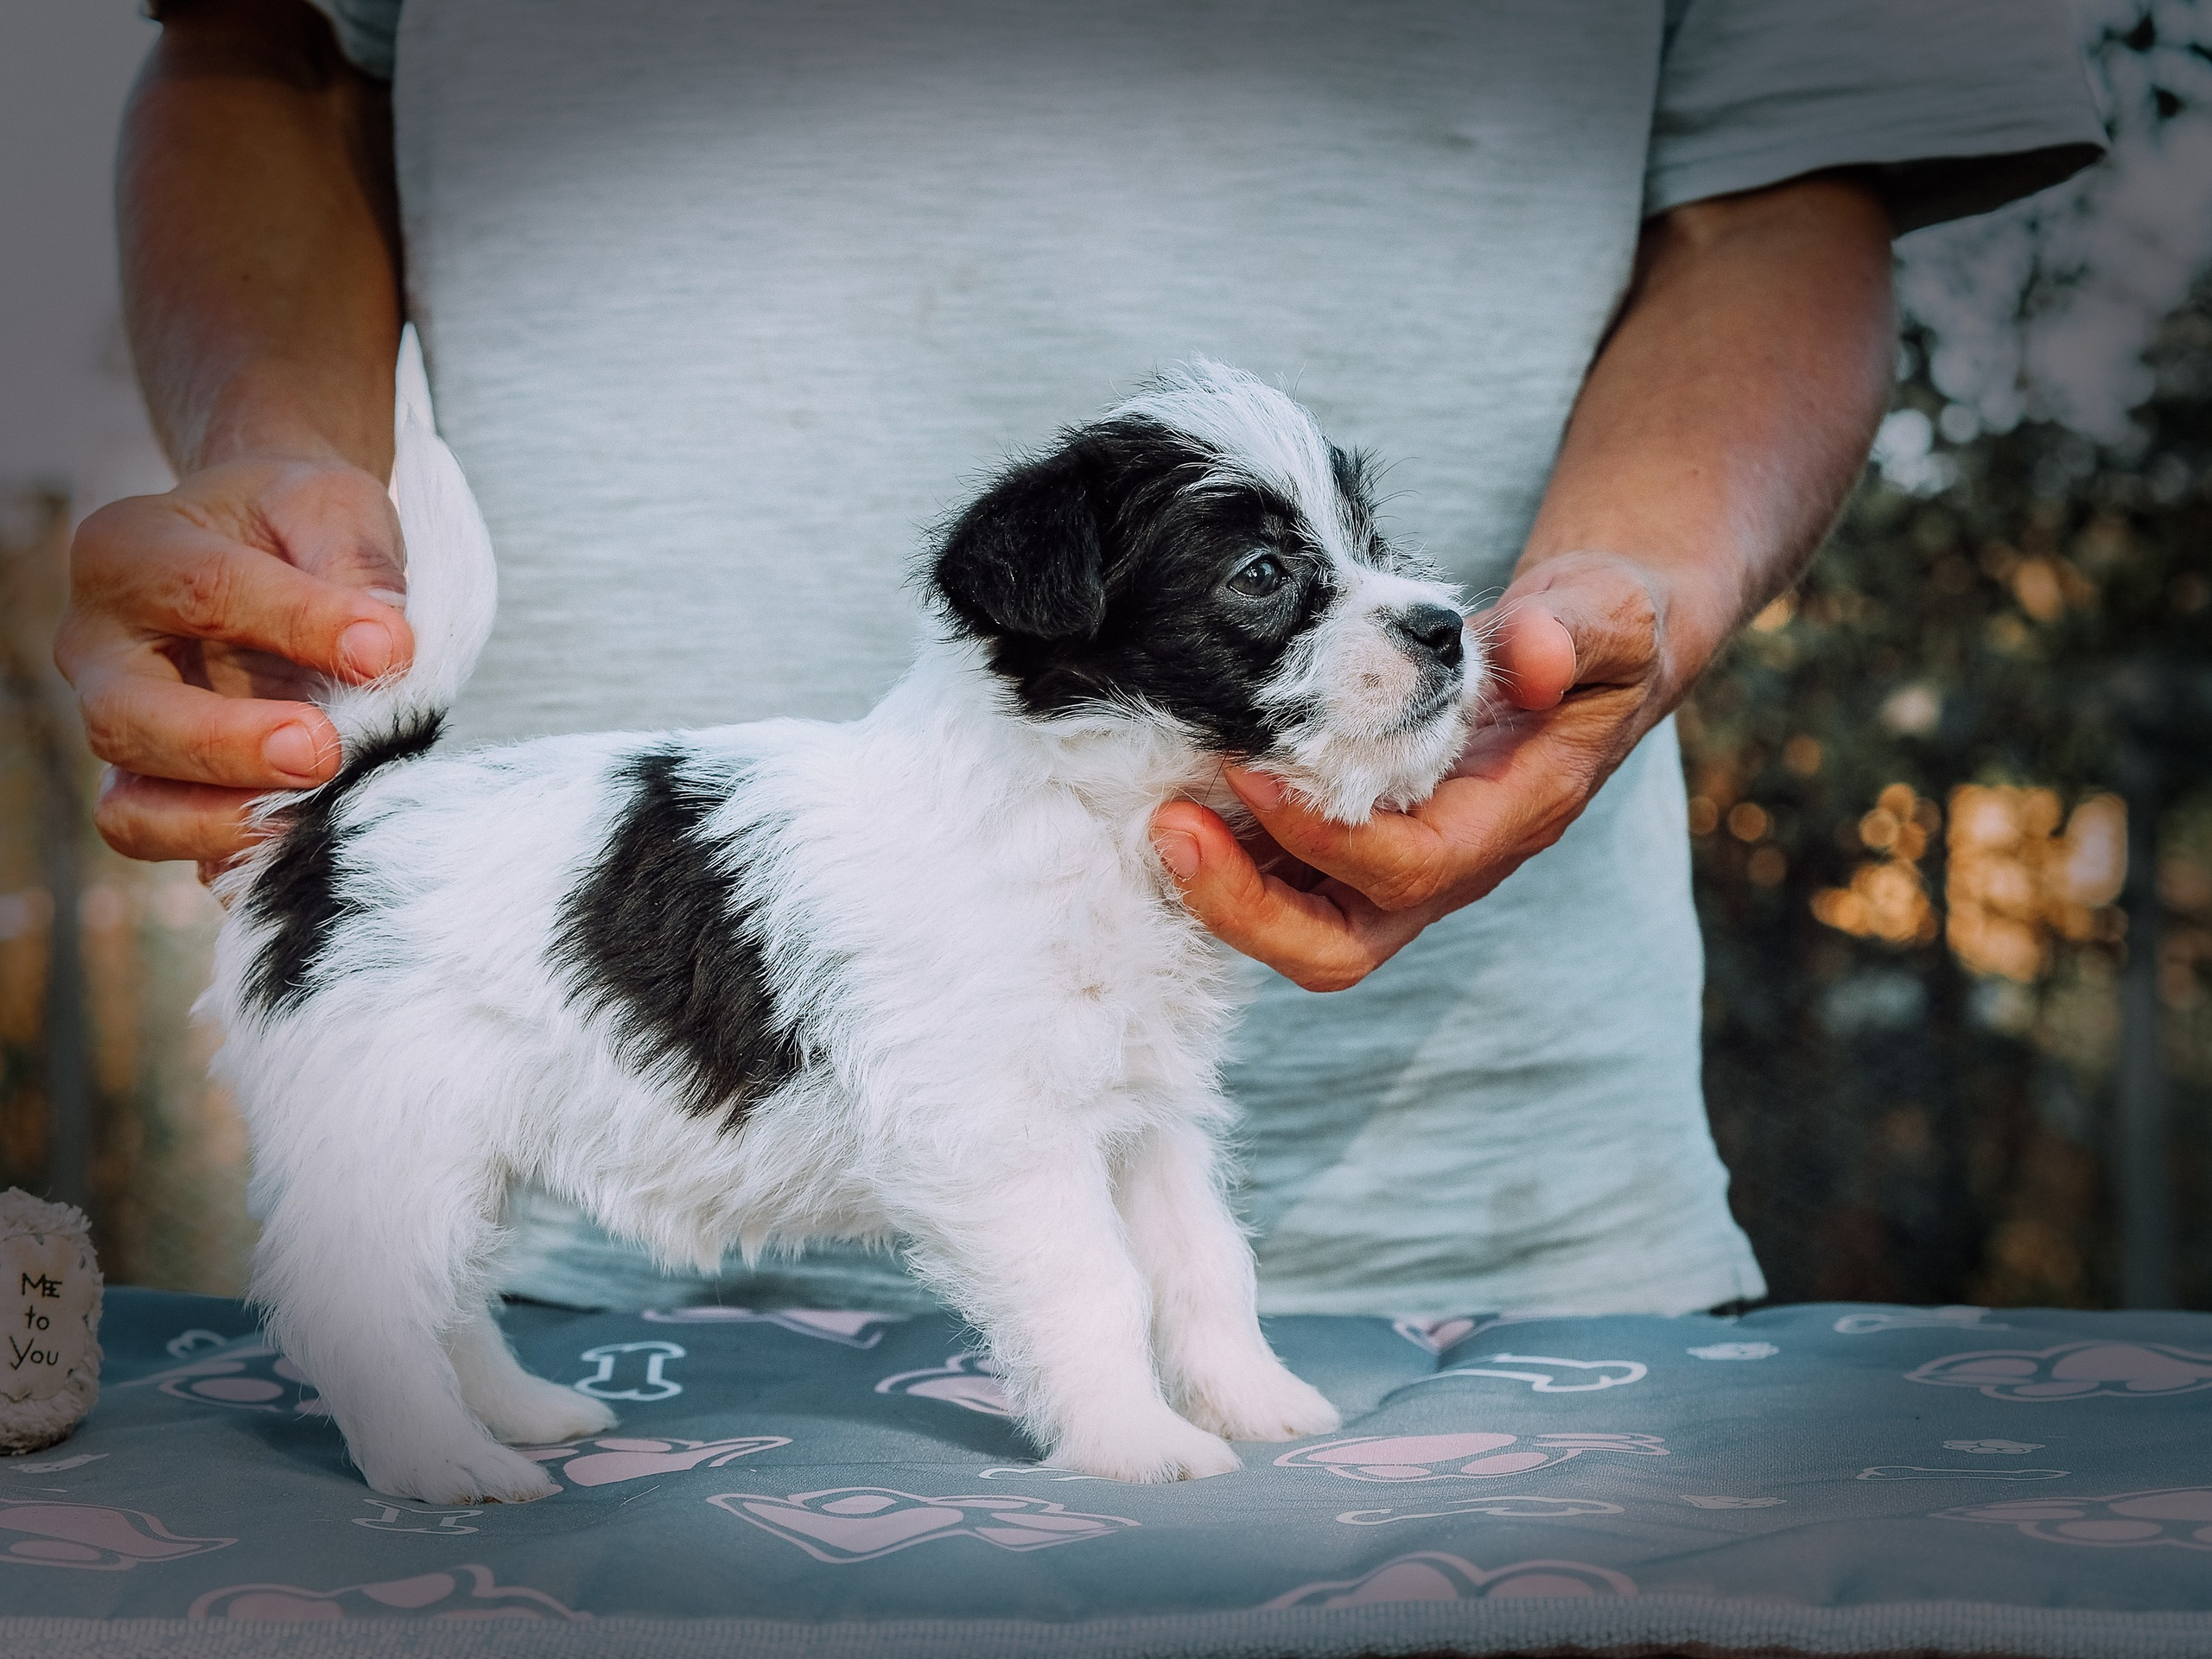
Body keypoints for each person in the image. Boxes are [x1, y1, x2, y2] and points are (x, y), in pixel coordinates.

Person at [60, 0, 2103, 1316]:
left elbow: (1786, 187)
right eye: (1276, 578)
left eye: (1369, 553)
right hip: (593, 1122)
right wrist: (276, 464)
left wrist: (1624, 588)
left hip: (1495, 1225)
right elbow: (269, 47)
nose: (1409, 603)